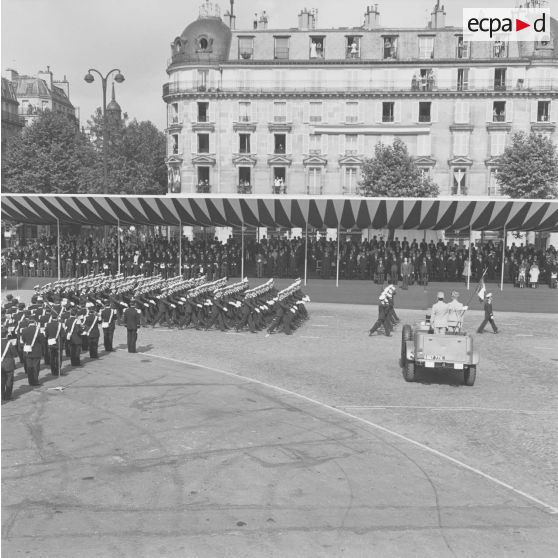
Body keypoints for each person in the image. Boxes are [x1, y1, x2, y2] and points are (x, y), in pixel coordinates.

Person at [20, 317, 44, 386]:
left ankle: (30, 381)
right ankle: (35, 381)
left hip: (27, 350)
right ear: (35, 323)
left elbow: (23, 340)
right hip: (36, 350)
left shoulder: (24, 330)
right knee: (36, 367)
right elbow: (42, 340)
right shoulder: (38, 330)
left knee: (29, 367)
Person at [2, 328, 18, 400]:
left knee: (1, 381)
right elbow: (15, 354)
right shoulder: (9, 343)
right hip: (9, 364)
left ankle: (1, 396)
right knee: (9, 380)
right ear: (6, 335)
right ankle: (8, 396)